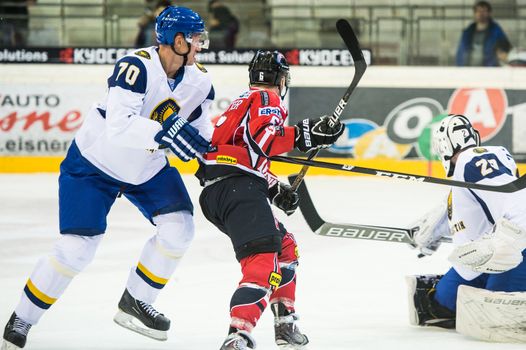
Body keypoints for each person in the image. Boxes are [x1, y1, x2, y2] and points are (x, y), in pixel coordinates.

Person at [2, 6, 213, 349]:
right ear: (178, 41)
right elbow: (118, 126)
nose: (201, 45)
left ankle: (136, 301)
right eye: (196, 39)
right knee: (76, 249)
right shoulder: (137, 66)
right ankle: (23, 317)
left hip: (145, 168)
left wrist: (213, 157)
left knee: (180, 227)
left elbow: (203, 134)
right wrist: (169, 131)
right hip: (94, 163)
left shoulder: (201, 80)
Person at [196, 50, 345, 349]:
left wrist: (276, 191)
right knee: (263, 262)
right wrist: (307, 134)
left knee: (285, 248)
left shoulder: (242, 102)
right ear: (280, 78)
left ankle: (285, 324)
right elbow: (264, 141)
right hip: (238, 188)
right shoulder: (267, 99)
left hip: (223, 191)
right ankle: (238, 336)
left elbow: (248, 156)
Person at [407, 114, 526, 339]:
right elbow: (470, 209)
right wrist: (432, 231)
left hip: (514, 251)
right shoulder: (465, 172)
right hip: (486, 259)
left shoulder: (472, 159)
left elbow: (518, 201)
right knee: (442, 303)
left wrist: (506, 241)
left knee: (497, 315)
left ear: (443, 145)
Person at [456, 1, 509, 67]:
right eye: (478, 11)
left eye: (484, 11)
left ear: (489, 13)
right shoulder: (467, 32)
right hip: (469, 70)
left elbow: (505, 48)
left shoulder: (496, 31)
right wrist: (460, 69)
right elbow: (460, 53)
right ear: (474, 13)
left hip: (488, 71)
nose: (481, 14)